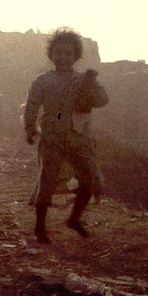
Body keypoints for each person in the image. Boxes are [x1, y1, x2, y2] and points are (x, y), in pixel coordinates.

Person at [23, 28, 109, 243]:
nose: (63, 57)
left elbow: (102, 101)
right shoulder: (43, 81)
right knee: (47, 182)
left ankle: (74, 219)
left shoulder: (82, 80)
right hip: (52, 138)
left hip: (78, 138)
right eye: (59, 52)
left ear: (76, 56)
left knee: (89, 179)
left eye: (68, 53)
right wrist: (30, 128)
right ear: (51, 54)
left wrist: (92, 86)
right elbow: (32, 106)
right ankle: (40, 228)